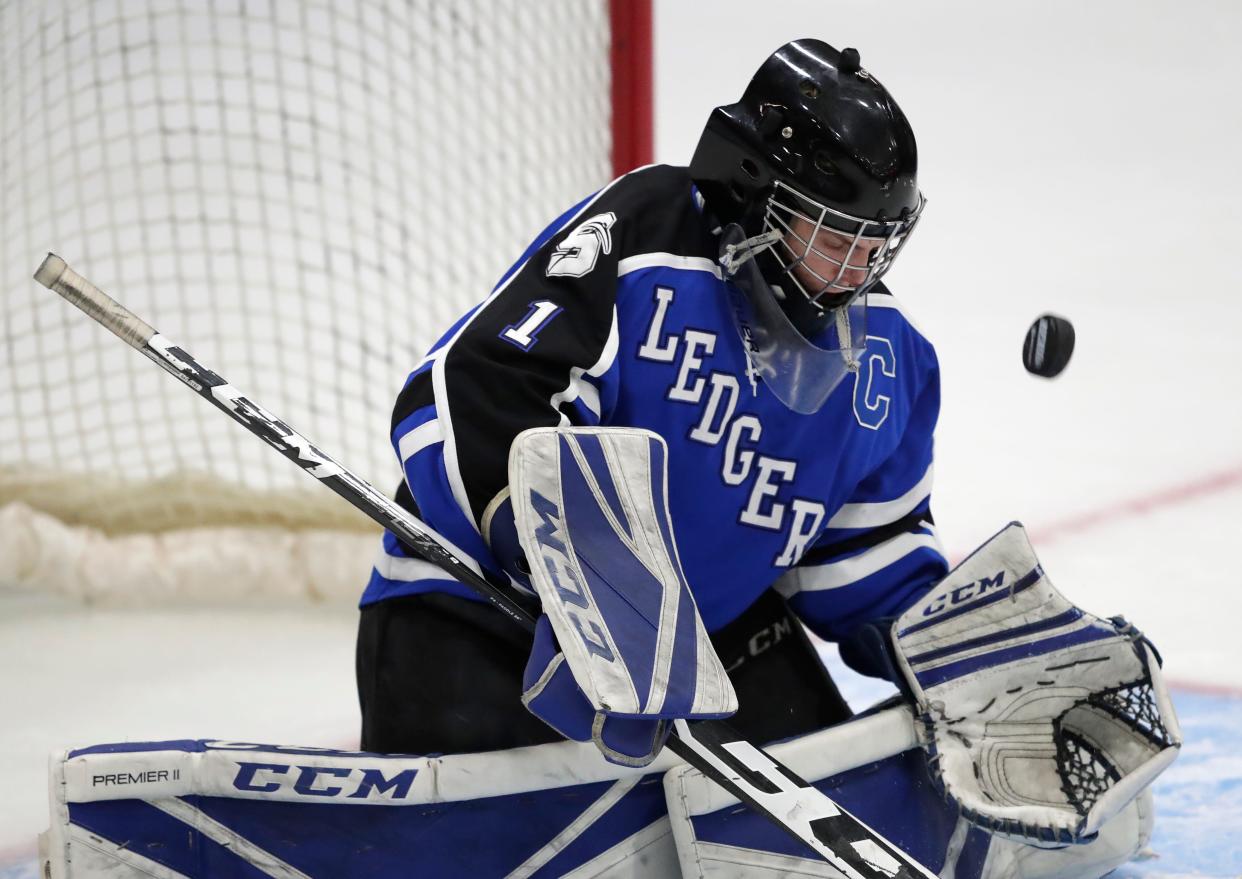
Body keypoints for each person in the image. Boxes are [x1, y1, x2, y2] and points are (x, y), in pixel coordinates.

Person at [355, 39, 948, 757]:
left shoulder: (887, 356)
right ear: (755, 186)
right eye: (833, 235)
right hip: (478, 612)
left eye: (875, 245)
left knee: (843, 795)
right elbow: (473, 387)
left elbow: (867, 552)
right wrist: (573, 570)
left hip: (696, 640)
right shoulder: (648, 236)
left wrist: (959, 658)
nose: (855, 272)